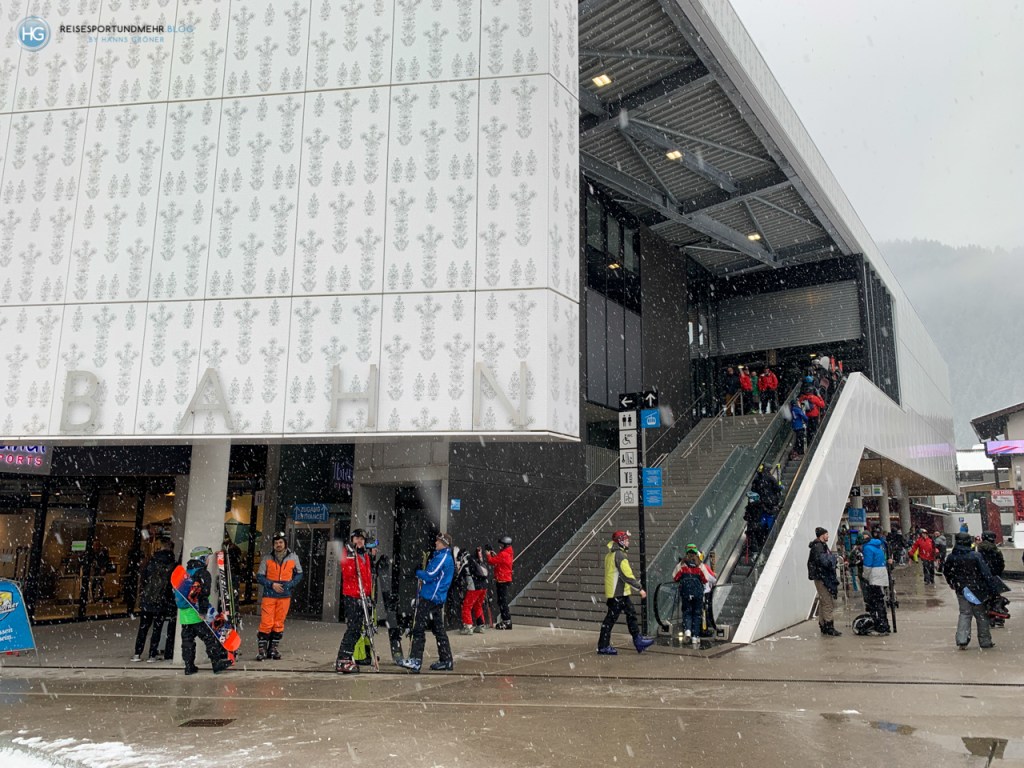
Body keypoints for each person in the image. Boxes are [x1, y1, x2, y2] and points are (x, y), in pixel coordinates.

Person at [399, 532, 456, 673]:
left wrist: (418, 573)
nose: (436, 543)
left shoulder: (443, 557)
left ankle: (415, 660)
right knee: (438, 630)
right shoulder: (441, 556)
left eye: (438, 541)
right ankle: (446, 659)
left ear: (444, 543)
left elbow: (430, 575)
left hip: (430, 598)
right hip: (435, 598)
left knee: (418, 628)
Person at [174, 546, 231, 675]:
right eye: (207, 558)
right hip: (198, 614)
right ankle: (216, 663)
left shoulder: (186, 572)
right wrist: (203, 612)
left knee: (187, 641)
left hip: (185, 615)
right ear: (203, 558)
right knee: (210, 637)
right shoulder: (203, 573)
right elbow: (204, 594)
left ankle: (189, 667)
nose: (208, 561)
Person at [597, 530, 655, 655]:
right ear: (621, 541)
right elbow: (626, 575)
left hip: (617, 593)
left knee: (630, 614)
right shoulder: (620, 556)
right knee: (613, 619)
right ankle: (604, 646)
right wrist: (639, 588)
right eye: (626, 540)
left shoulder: (611, 555)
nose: (628, 542)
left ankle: (637, 641)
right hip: (618, 593)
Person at [943, 532, 998, 650]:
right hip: (977, 590)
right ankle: (985, 641)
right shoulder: (975, 556)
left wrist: (952, 583)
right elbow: (986, 573)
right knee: (981, 615)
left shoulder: (951, 557)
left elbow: (947, 572)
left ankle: (962, 640)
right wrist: (993, 589)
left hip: (962, 589)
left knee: (964, 613)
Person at [255, 531, 303, 661]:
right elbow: (259, 576)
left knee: (279, 623)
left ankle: (273, 649)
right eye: (276, 543)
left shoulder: (293, 557)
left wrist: (290, 584)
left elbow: (299, 574)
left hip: (285, 596)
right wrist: (271, 584)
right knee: (266, 622)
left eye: (281, 542)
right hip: (269, 595)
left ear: (285, 543)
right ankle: (262, 650)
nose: (278, 545)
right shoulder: (267, 558)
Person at [335, 529, 373, 674]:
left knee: (358, 629)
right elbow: (349, 572)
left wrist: (369, 595)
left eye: (362, 539)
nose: (359, 541)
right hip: (352, 595)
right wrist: (352, 556)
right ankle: (343, 658)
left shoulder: (365, 555)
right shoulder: (349, 553)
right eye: (357, 538)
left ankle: (346, 656)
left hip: (363, 595)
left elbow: (367, 577)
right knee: (353, 628)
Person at [132, 538, 176, 662]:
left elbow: (144, 579)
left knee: (143, 627)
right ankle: (152, 654)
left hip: (148, 598)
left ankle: (137, 653)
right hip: (162, 600)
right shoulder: (173, 563)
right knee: (157, 628)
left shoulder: (151, 561)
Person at [366, 538, 404, 664]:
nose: (376, 550)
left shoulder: (371, 562)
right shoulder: (365, 561)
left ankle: (366, 655)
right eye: (374, 548)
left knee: (369, 628)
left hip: (371, 601)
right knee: (363, 629)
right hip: (365, 601)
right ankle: (362, 656)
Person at [807, 527, 842, 636]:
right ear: (822, 535)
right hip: (822, 578)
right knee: (827, 602)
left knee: (824, 601)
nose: (828, 536)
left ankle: (823, 624)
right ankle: (828, 626)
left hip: (821, 577)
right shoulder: (819, 547)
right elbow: (825, 562)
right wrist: (834, 559)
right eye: (826, 534)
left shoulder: (819, 546)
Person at [673, 544, 707, 649]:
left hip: (685, 593)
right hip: (697, 593)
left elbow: (675, 577)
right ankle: (695, 637)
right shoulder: (699, 566)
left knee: (687, 612)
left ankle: (687, 630)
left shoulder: (682, 566)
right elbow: (705, 580)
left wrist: (681, 564)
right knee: (697, 614)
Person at [861, 530, 892, 635]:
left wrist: (864, 575)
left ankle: (879, 624)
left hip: (874, 576)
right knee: (880, 600)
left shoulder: (867, 548)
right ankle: (884, 623)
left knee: (874, 602)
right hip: (882, 574)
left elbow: (868, 564)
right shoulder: (878, 546)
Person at [457, 545, 490, 635]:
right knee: (478, 606)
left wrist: (458, 567)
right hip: (484, 587)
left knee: (466, 606)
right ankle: (480, 625)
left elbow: (458, 576)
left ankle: (468, 627)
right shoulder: (476, 560)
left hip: (474, 588)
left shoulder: (465, 562)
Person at [486, 535, 514, 629]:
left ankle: (506, 621)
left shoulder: (504, 554)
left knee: (502, 601)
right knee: (502, 601)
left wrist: (488, 554)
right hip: (505, 578)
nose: (500, 547)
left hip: (502, 579)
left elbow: (491, 561)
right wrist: (494, 554)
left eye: (502, 545)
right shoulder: (508, 552)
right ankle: (506, 620)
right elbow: (500, 560)